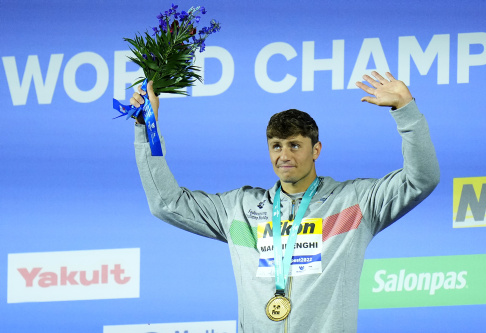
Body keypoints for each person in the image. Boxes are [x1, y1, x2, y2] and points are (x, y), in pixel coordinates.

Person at [131, 71, 440, 332]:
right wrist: (148, 129)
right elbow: (166, 203)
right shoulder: (238, 208)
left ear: (316, 149)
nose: (284, 156)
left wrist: (405, 110)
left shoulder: (354, 203)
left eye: (295, 145)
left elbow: (421, 179)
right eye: (276, 146)